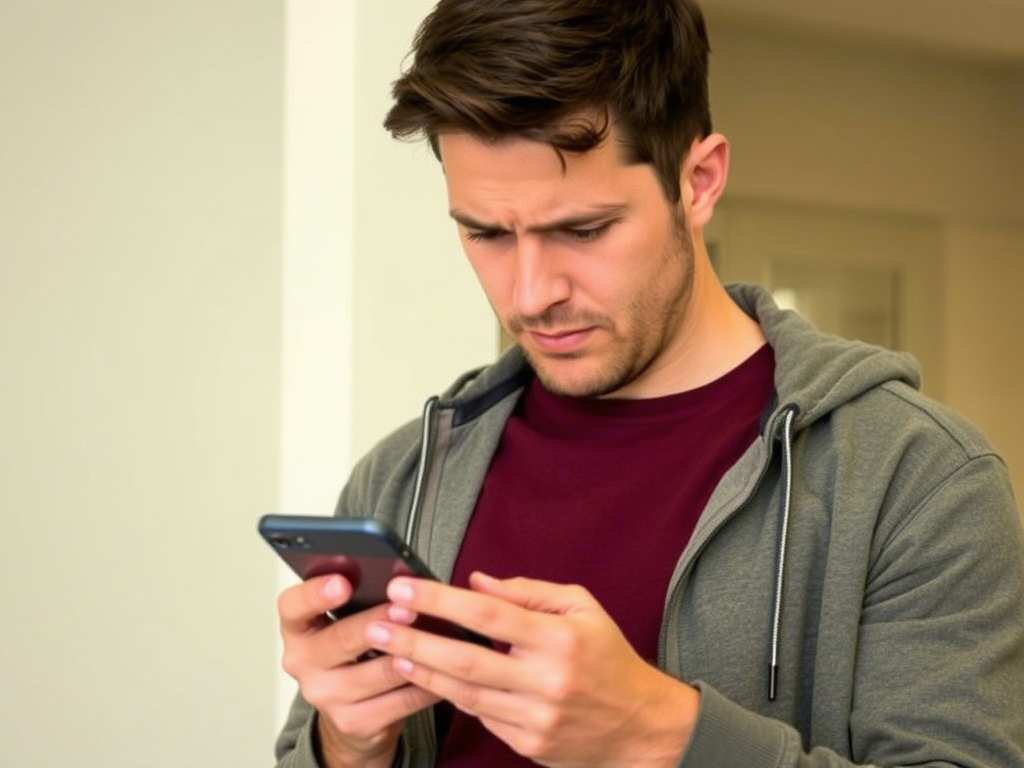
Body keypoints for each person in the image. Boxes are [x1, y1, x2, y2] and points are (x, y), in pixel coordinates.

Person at [272, 1, 1024, 766]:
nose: (531, 293)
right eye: (487, 233)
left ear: (698, 182)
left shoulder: (917, 477)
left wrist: (657, 732)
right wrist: (346, 744)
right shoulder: (404, 476)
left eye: (584, 229)